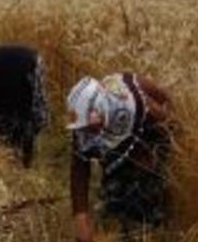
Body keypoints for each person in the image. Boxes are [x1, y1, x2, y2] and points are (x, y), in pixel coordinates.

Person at [66, 73, 172, 242]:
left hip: (149, 142)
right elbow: (79, 168)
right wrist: (81, 219)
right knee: (115, 202)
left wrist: (154, 159)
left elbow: (173, 129)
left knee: (147, 200)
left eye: (91, 128)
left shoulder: (140, 106)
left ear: (103, 109)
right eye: (84, 128)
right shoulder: (84, 126)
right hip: (118, 152)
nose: (88, 133)